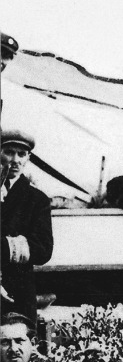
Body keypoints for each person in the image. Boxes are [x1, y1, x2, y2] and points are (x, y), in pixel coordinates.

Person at [1, 129, 54, 326]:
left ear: (28, 158)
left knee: (17, 342)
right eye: (9, 152)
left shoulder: (37, 199)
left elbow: (43, 250)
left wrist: (3, 247)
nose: (15, 160)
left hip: (17, 294)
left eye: (21, 154)